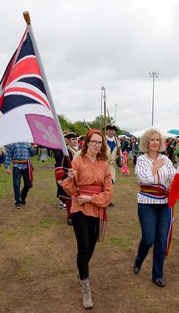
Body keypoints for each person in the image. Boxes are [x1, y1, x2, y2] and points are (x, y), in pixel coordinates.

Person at [62, 129, 113, 309]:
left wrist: (91, 199)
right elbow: (68, 188)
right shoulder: (77, 161)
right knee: (83, 245)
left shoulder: (105, 165)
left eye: (100, 142)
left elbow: (108, 194)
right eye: (94, 142)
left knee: (91, 245)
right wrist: (69, 178)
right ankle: (86, 287)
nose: (96, 145)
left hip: (95, 207)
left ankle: (82, 269)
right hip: (79, 209)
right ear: (87, 143)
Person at [133, 129, 176, 288]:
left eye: (158, 140)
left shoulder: (166, 159)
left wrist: (174, 187)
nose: (156, 142)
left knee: (161, 240)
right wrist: (155, 167)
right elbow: (142, 179)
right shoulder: (141, 160)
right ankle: (139, 258)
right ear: (146, 142)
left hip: (164, 204)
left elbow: (173, 176)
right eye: (152, 139)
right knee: (149, 238)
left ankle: (157, 275)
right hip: (147, 203)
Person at [55, 131, 79, 226]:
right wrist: (60, 178)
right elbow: (59, 165)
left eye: (76, 139)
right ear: (68, 140)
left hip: (77, 177)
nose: (75, 141)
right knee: (69, 198)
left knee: (76, 197)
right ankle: (70, 216)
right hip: (66, 176)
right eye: (73, 139)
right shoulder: (64, 151)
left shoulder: (78, 150)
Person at [4, 142, 36, 209]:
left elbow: (32, 154)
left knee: (28, 184)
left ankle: (23, 197)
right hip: (16, 166)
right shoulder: (12, 143)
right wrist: (7, 167)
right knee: (16, 184)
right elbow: (8, 155)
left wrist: (34, 148)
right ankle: (17, 202)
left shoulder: (27, 143)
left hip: (27, 166)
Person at [105, 124, 122, 206]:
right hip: (103, 165)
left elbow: (119, 155)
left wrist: (120, 158)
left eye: (113, 130)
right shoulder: (102, 140)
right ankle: (103, 199)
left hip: (112, 166)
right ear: (106, 131)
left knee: (111, 183)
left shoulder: (117, 142)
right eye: (109, 130)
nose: (111, 131)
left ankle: (108, 199)